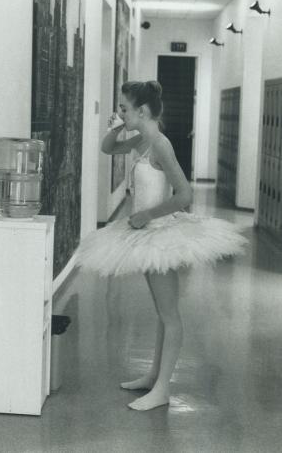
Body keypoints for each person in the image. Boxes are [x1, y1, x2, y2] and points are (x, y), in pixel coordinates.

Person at [74, 80, 248, 411]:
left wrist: (147, 215)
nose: (121, 111)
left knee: (169, 315)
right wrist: (115, 126)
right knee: (161, 312)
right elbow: (108, 149)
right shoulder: (142, 139)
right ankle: (154, 376)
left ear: (142, 110)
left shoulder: (161, 145)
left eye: (124, 108)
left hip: (162, 237)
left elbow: (184, 195)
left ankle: (162, 389)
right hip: (146, 233)